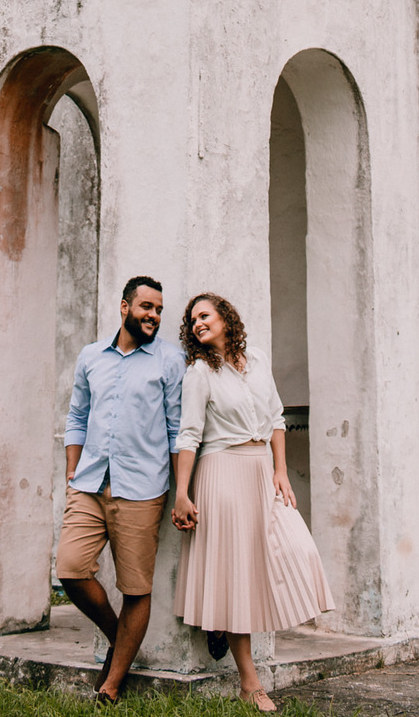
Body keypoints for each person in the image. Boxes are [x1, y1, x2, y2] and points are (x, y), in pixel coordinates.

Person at [172, 292, 333, 711]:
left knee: (297, 548)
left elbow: (277, 418)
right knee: (239, 574)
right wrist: (183, 493)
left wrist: (280, 470)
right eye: (192, 322)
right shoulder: (199, 373)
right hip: (221, 472)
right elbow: (188, 435)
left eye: (204, 316)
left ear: (225, 317)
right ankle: (250, 682)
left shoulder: (257, 360)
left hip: (262, 469)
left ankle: (223, 622)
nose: (197, 325)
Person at [57, 275, 185, 705]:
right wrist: (73, 473)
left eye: (159, 309)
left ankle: (111, 685)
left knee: (136, 588)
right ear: (124, 307)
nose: (154, 315)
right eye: (146, 306)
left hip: (141, 490)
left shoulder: (169, 361)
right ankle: (120, 639)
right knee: (71, 569)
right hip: (90, 484)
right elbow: (76, 417)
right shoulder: (92, 357)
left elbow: (175, 430)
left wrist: (180, 490)